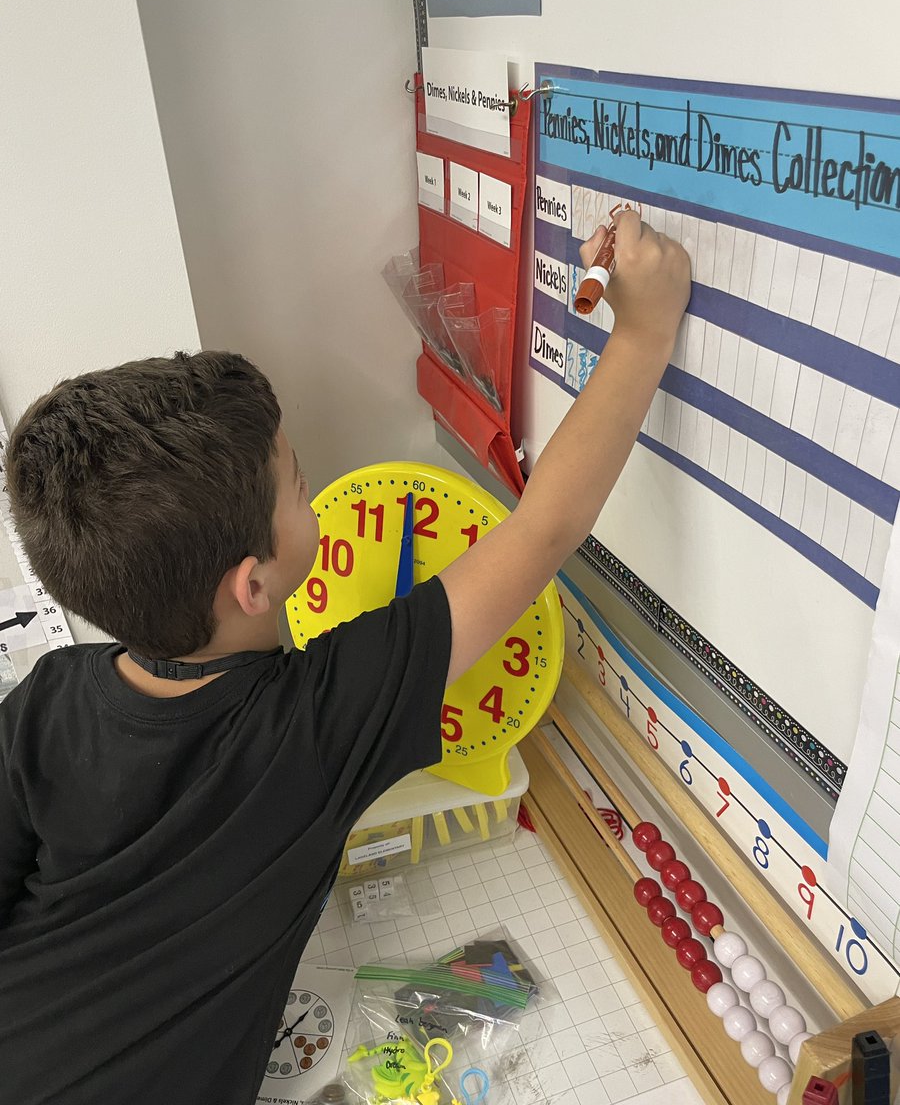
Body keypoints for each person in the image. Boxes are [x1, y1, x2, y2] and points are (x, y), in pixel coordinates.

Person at [0, 210, 690, 1104]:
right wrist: (643, 331)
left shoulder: (45, 696)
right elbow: (544, 529)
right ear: (253, 583)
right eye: (297, 486)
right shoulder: (311, 726)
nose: (312, 493)